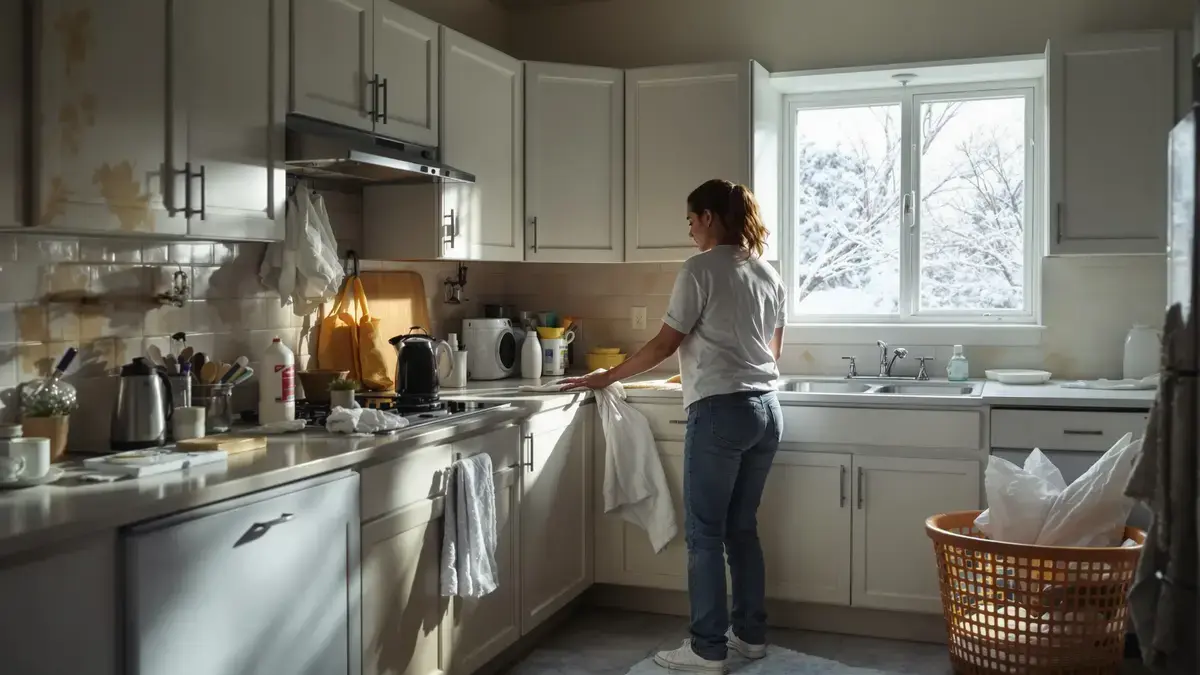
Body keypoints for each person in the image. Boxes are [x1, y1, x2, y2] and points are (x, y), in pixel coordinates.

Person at [559, 179, 786, 672]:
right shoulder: (768, 273)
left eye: (690, 220)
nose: (689, 230)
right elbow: (770, 353)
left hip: (721, 413)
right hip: (766, 411)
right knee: (741, 530)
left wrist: (606, 376)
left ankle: (707, 649)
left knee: (705, 534)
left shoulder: (699, 269)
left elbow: (664, 344)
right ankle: (750, 637)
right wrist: (710, 365)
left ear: (708, 217)